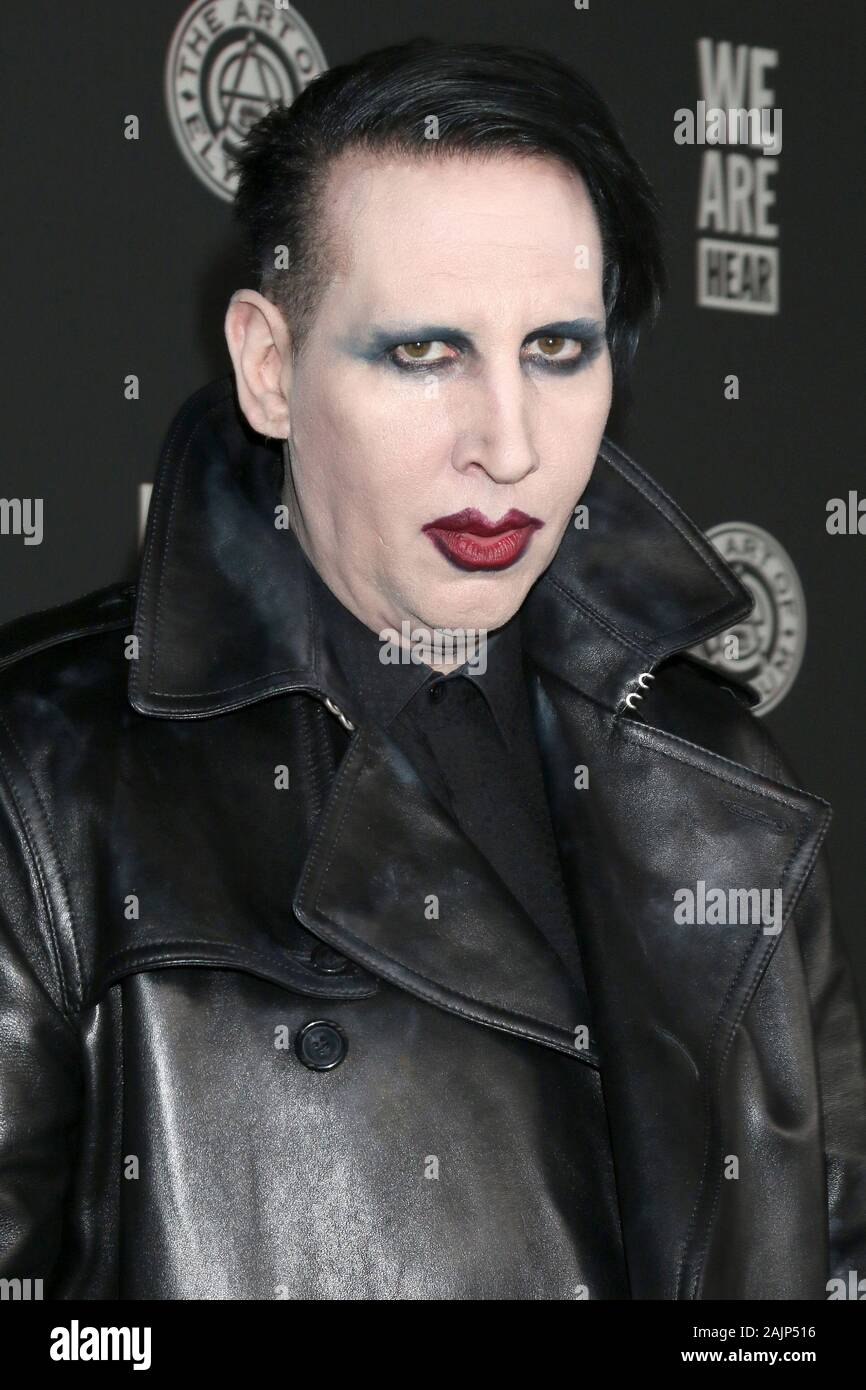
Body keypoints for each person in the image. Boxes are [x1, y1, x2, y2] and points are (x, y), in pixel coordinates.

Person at [0, 37, 864, 1301]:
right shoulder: (44, 781)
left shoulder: (717, 772)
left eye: (556, 349)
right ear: (269, 367)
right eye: (424, 353)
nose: (506, 446)